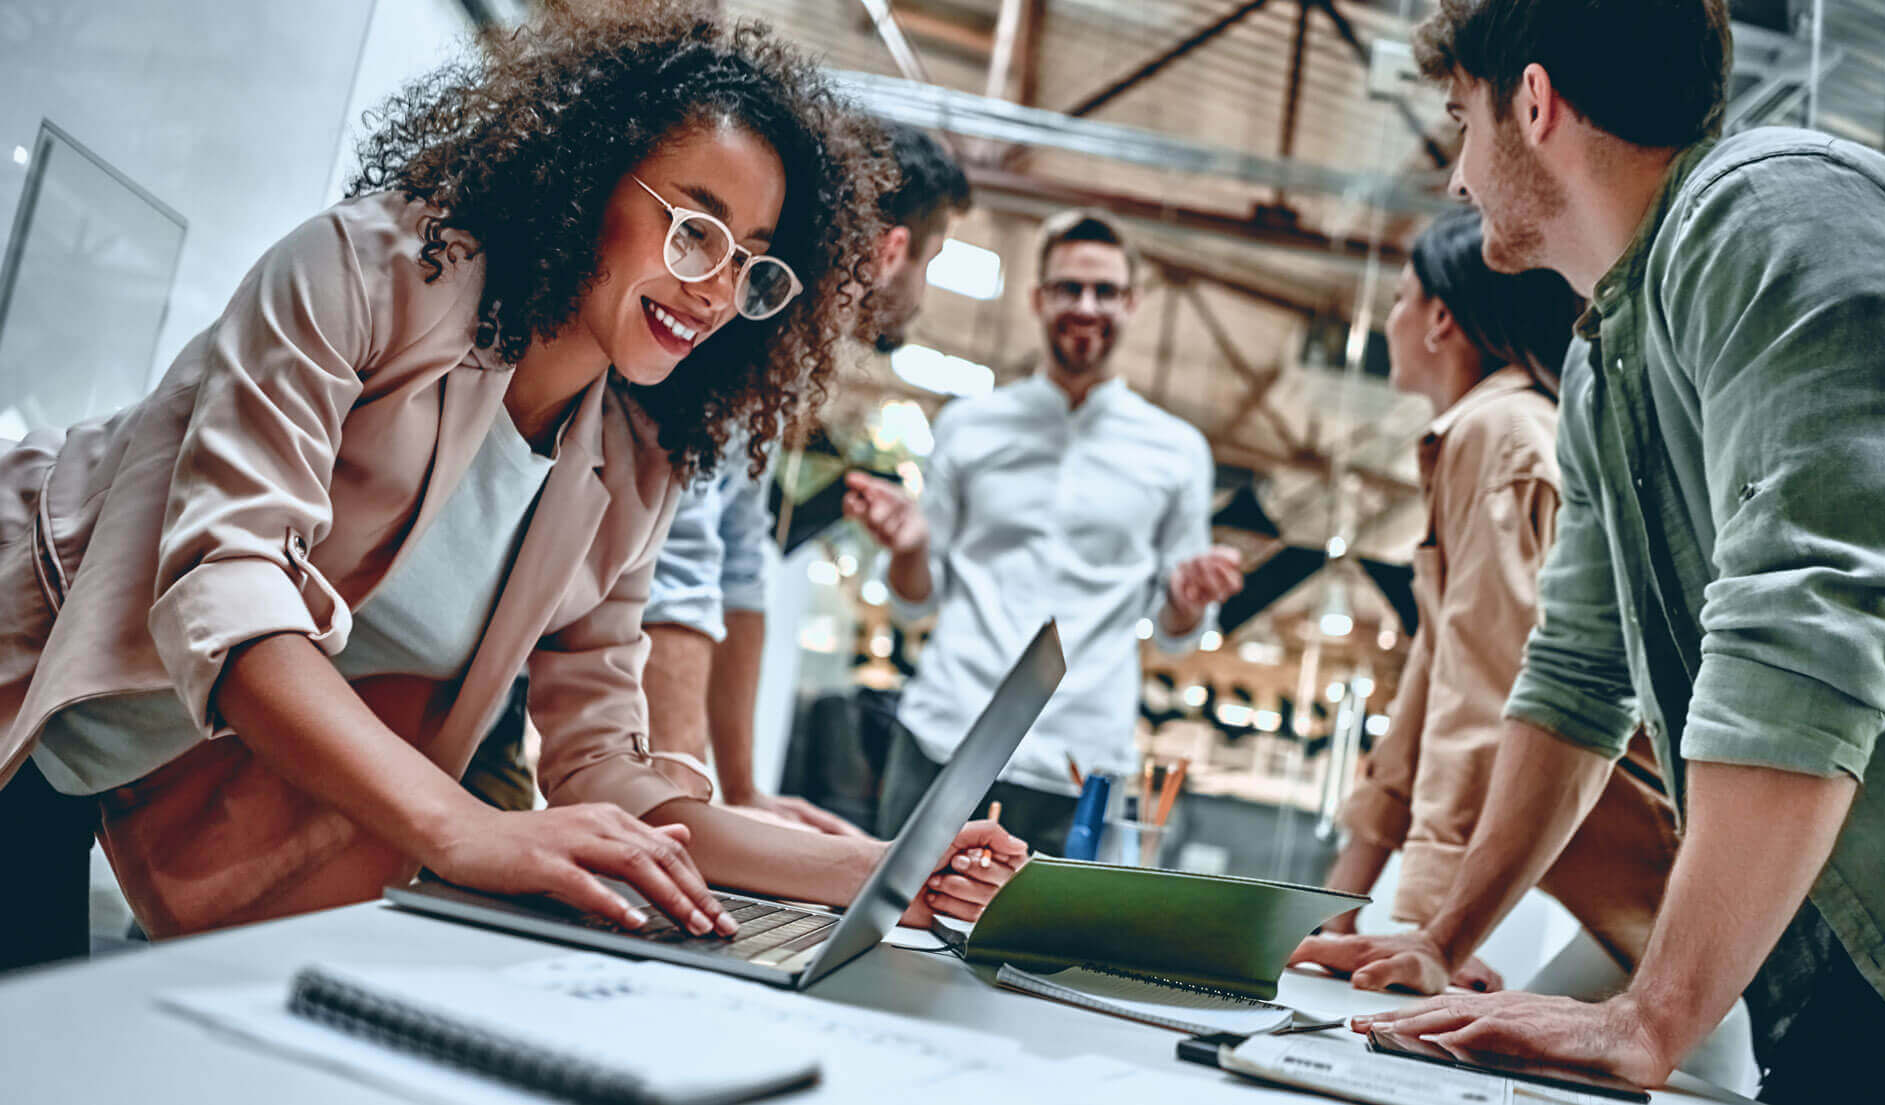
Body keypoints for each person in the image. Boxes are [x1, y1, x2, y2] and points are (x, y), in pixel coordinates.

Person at [0, 3, 1021, 973]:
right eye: (695, 230)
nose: (714, 290)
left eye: (751, 263)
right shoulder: (362, 273)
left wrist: (885, 871)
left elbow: (604, 768)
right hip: (24, 677)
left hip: (150, 769)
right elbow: (230, 594)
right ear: (587, 180)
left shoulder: (632, 464)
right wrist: (470, 829)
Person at [1301, 2, 1885, 1098]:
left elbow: (1805, 625)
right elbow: (1578, 672)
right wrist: (1444, 934)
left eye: (1461, 122)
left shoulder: (1774, 210)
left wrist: (1653, 1013)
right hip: (1846, 950)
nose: (1456, 178)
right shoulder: (1603, 361)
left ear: (1531, 104)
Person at [1308, 206, 1677, 995]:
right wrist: (1336, 906)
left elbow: (1486, 688)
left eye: (1401, 297)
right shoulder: (1484, 434)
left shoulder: (1500, 435)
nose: (1391, 318)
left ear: (1442, 317)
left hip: (1651, 875)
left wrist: (1430, 932)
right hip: (1621, 884)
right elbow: (1427, 692)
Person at [844, 209, 1244, 856]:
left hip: (1081, 761)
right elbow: (916, 597)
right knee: (891, 935)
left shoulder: (1179, 452)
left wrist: (1188, 599)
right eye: (1068, 288)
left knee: (1045, 954)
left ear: (1133, 302)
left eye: (1106, 290)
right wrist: (911, 548)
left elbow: (1177, 635)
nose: (1086, 306)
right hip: (947, 736)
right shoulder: (969, 426)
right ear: (1037, 298)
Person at [631, 122, 972, 834]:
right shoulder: (742, 326)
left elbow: (739, 560)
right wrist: (691, 813)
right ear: (893, 250)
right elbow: (684, 563)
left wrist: (743, 789)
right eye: (931, 261)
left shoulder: (784, 359)